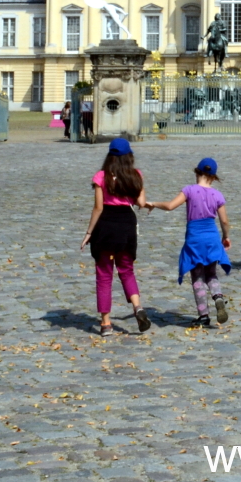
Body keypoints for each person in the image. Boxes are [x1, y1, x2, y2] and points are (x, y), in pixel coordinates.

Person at [79, 138, 151, 336]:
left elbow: (98, 208)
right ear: (129, 156)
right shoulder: (136, 175)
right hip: (126, 224)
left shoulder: (101, 177)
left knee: (104, 275)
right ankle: (137, 308)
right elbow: (141, 202)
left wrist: (88, 233)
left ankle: (105, 323)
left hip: (106, 225)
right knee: (127, 270)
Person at [149, 158, 232, 328]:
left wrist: (154, 204)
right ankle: (218, 297)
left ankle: (203, 315)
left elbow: (171, 205)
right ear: (214, 177)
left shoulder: (189, 190)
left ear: (197, 173)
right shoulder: (217, 195)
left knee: (197, 277)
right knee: (211, 273)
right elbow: (224, 221)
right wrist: (226, 236)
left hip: (195, 239)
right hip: (211, 238)